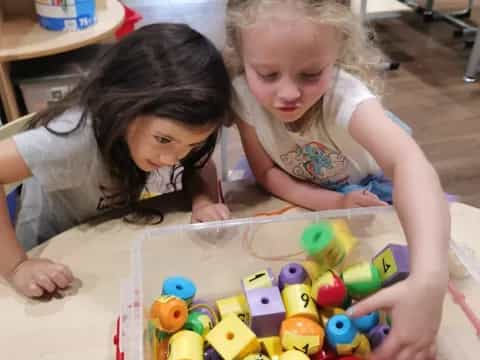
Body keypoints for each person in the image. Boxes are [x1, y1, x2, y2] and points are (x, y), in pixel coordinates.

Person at [225, 1, 449, 359]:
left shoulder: (346, 98)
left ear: (338, 52)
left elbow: (409, 163)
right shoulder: (243, 96)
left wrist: (430, 279)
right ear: (240, 53)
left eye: (311, 74)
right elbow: (266, 173)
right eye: (267, 75)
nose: (287, 94)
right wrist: (334, 203)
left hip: (371, 193)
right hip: (302, 194)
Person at [0, 23, 231, 298]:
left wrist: (203, 200)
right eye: (164, 140)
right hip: (49, 249)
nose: (173, 159)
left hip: (104, 231)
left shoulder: (167, 136)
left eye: (192, 145)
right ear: (125, 107)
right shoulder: (72, 143)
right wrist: (18, 266)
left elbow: (201, 164)